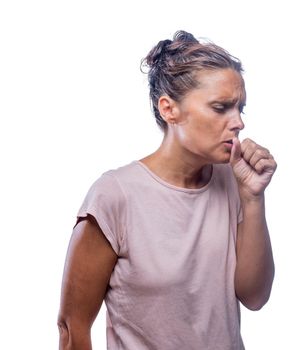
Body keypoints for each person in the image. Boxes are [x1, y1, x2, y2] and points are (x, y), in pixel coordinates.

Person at [57, 30, 276, 350]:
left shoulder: (233, 181)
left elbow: (254, 297)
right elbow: (72, 326)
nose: (238, 122)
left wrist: (253, 197)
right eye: (221, 107)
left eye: (240, 108)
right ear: (168, 109)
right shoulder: (115, 196)